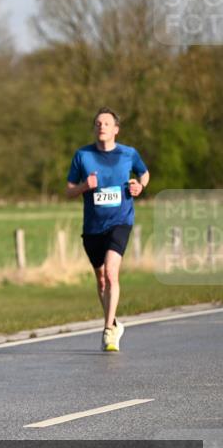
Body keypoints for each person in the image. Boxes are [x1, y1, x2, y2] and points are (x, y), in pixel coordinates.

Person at [65, 107, 149, 352]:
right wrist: (84, 186)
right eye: (98, 123)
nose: (101, 126)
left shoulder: (128, 154)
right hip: (92, 227)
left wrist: (139, 186)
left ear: (116, 129)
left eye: (106, 123)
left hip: (120, 221)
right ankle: (114, 322)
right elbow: (68, 191)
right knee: (101, 280)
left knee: (112, 273)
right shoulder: (82, 156)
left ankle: (108, 330)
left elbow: (144, 174)